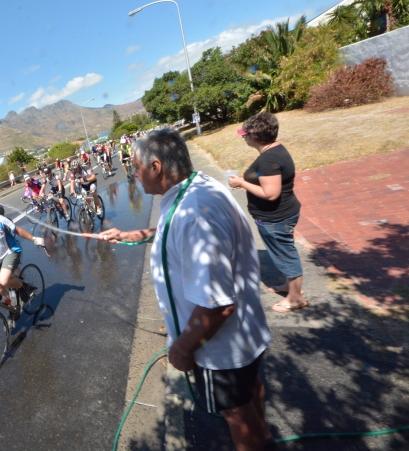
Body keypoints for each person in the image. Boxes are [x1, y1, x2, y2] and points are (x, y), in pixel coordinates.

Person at [100, 129, 272, 451]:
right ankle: (266, 437)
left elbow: (217, 306)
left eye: (136, 167)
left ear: (155, 167)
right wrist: (129, 234)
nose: (133, 174)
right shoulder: (196, 189)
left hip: (221, 345)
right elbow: (170, 232)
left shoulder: (193, 216)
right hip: (245, 335)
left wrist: (182, 348)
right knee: (249, 392)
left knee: (236, 412)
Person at [229, 111, 308, 313]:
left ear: (255, 136)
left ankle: (295, 298)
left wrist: (242, 183)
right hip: (282, 214)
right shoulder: (277, 150)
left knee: (286, 254)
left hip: (276, 218)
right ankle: (290, 287)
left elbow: (270, 194)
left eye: (245, 134)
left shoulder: (268, 160)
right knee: (283, 252)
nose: (243, 137)